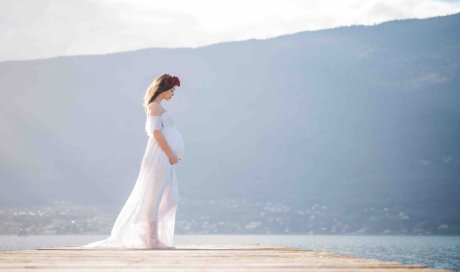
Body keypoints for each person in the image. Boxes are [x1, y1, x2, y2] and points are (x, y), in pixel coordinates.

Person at [79, 74, 185, 249]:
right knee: (153, 198)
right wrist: (170, 154)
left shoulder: (159, 107)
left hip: (164, 157)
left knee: (164, 197)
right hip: (160, 157)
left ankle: (152, 237)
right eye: (172, 91)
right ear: (163, 89)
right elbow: (156, 133)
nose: (173, 94)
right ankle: (151, 239)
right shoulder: (154, 107)